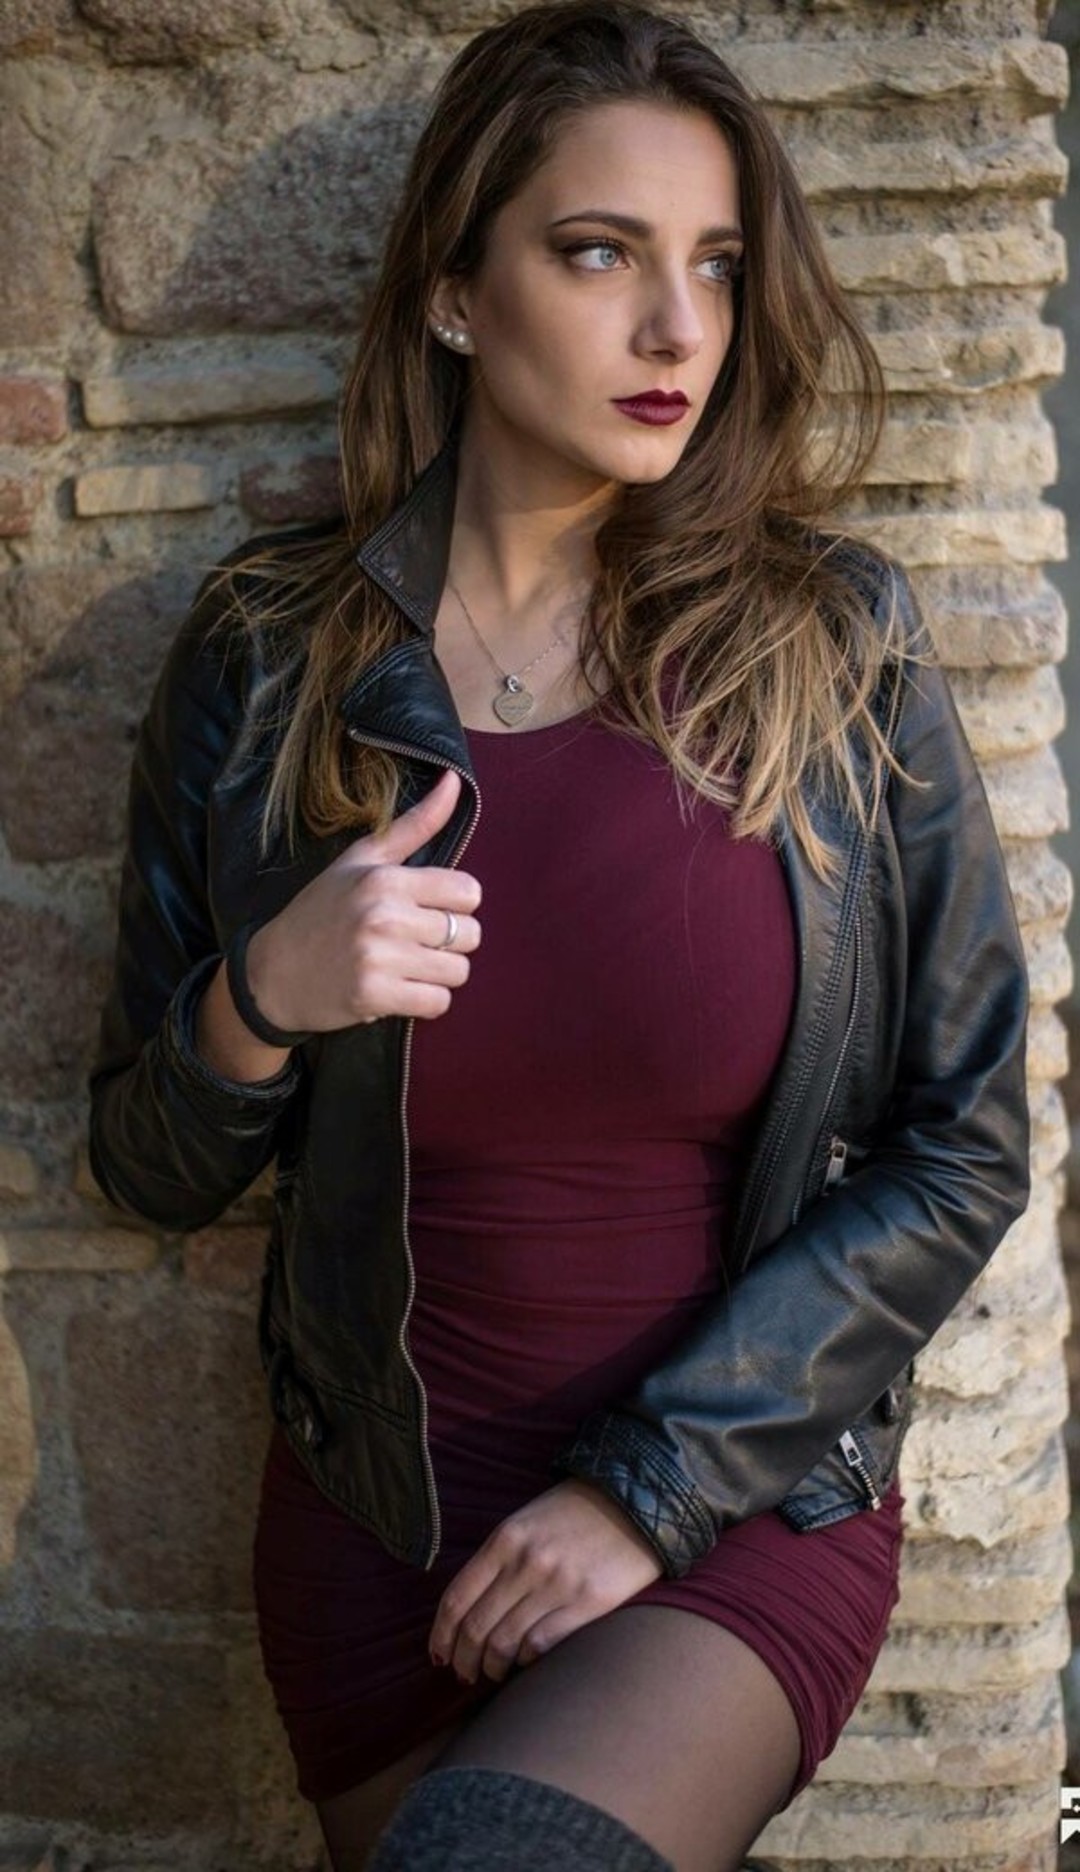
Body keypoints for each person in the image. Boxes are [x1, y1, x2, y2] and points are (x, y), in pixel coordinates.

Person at [86, 3, 1031, 1868]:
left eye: (717, 267)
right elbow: (146, 1162)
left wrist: (644, 1495)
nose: (678, 329)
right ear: (456, 295)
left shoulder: (830, 644)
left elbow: (965, 1141)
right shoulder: (270, 657)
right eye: (602, 254)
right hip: (385, 1538)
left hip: (729, 1506)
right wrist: (264, 999)